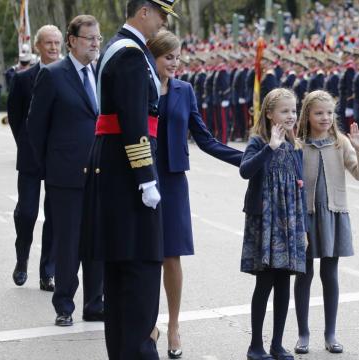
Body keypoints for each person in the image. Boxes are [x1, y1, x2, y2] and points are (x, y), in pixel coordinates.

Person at [81, 1, 177, 358]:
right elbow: (136, 122)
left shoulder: (119, 49)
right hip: (128, 177)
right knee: (140, 274)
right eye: (161, 14)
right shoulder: (131, 55)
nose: (163, 22)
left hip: (115, 172)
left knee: (121, 274)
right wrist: (146, 178)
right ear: (144, 12)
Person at [146, 30, 243, 359]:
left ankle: (173, 325)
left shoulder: (185, 90)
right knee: (144, 255)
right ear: (153, 56)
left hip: (172, 180)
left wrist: (248, 159)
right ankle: (148, 323)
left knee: (171, 256)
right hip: (140, 175)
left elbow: (205, 139)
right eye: (168, 57)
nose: (174, 63)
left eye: (177, 57)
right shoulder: (137, 85)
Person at [27, 15, 104, 327]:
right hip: (65, 176)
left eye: (98, 38)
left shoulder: (103, 74)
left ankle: (95, 302)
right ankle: (64, 305)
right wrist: (50, 167)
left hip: (100, 173)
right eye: (89, 38)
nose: (95, 44)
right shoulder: (53, 75)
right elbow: (35, 127)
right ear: (72, 41)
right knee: (69, 243)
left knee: (97, 242)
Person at [294, 90, 359, 355]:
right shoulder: (298, 144)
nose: (325, 117)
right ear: (307, 115)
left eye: (329, 113)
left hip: (333, 214)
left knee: (330, 274)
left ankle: (330, 333)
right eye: (318, 113)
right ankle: (303, 333)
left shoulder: (340, 143)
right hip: (305, 217)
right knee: (304, 275)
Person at [239, 88, 306, 360]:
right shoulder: (258, 142)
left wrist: (303, 230)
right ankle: (256, 345)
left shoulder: (295, 147)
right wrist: (270, 148)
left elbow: (299, 189)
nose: (290, 116)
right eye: (284, 111)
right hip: (265, 222)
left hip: (288, 223)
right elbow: (245, 171)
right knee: (264, 283)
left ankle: (278, 344)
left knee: (283, 284)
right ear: (269, 114)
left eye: (293, 110)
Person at [7, 25, 62, 292]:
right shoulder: (23, 78)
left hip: (58, 158)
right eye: (48, 43)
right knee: (27, 213)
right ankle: (22, 257)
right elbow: (16, 119)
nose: (53, 48)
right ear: (38, 46)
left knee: (54, 215)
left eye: (57, 43)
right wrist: (28, 147)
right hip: (30, 157)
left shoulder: (68, 77)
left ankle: (47, 272)